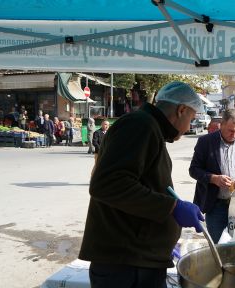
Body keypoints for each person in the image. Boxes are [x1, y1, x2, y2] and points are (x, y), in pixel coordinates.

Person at [79, 81, 205, 288]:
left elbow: (144, 185)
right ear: (181, 110)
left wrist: (164, 235)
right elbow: (108, 184)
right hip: (126, 265)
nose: (190, 127)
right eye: (191, 118)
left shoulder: (150, 128)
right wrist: (172, 207)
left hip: (140, 258)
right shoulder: (140, 125)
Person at [189, 109, 235, 243]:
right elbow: (194, 170)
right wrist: (213, 178)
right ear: (222, 125)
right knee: (219, 245)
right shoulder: (205, 142)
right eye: (231, 131)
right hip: (216, 205)